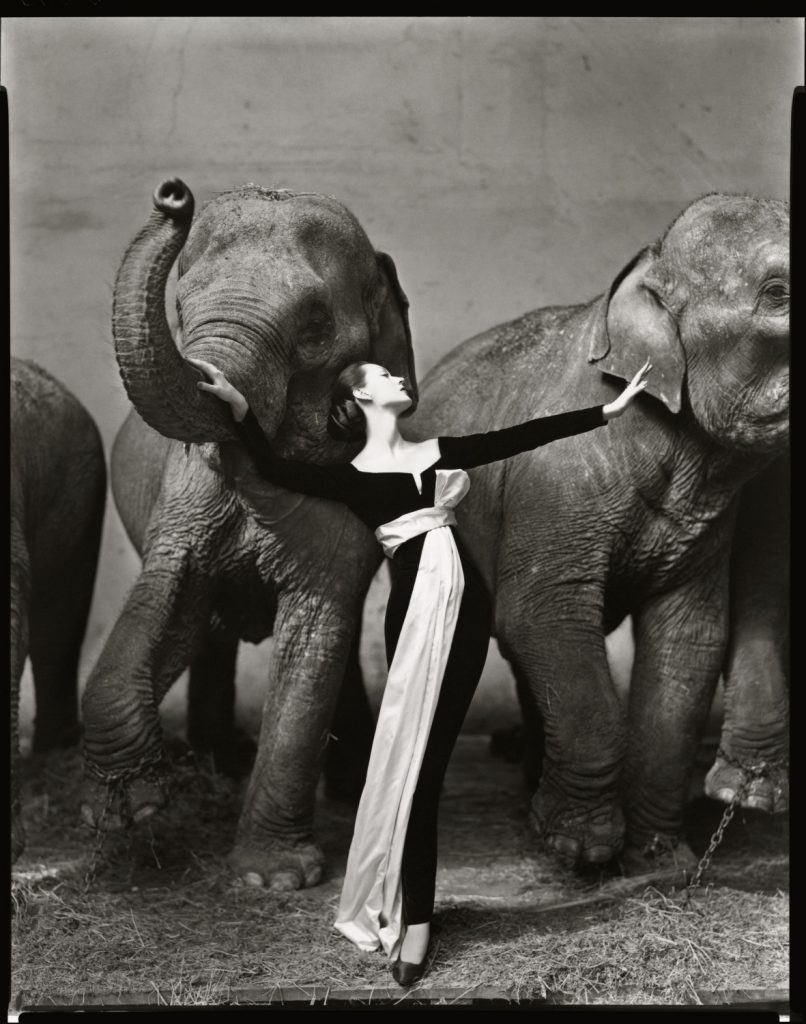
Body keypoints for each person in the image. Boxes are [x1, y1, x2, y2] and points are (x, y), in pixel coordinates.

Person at [188, 354, 651, 987]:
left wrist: (608, 411)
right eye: (382, 377)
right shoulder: (349, 476)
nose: (399, 380)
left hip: (465, 612)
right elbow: (270, 466)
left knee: (427, 768)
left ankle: (420, 924)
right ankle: (414, 922)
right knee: (416, 776)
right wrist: (240, 410)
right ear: (360, 399)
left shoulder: (435, 451)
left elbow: (520, 437)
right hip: (413, 615)